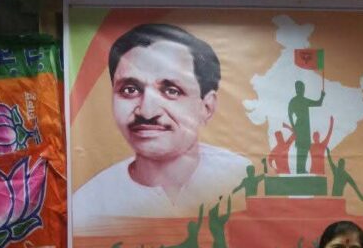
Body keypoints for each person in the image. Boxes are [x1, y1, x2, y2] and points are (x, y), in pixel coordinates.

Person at [73, 23, 249, 233]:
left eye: (171, 91)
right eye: (130, 90)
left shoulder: (246, 181)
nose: (147, 112)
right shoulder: (87, 207)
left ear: (206, 107)